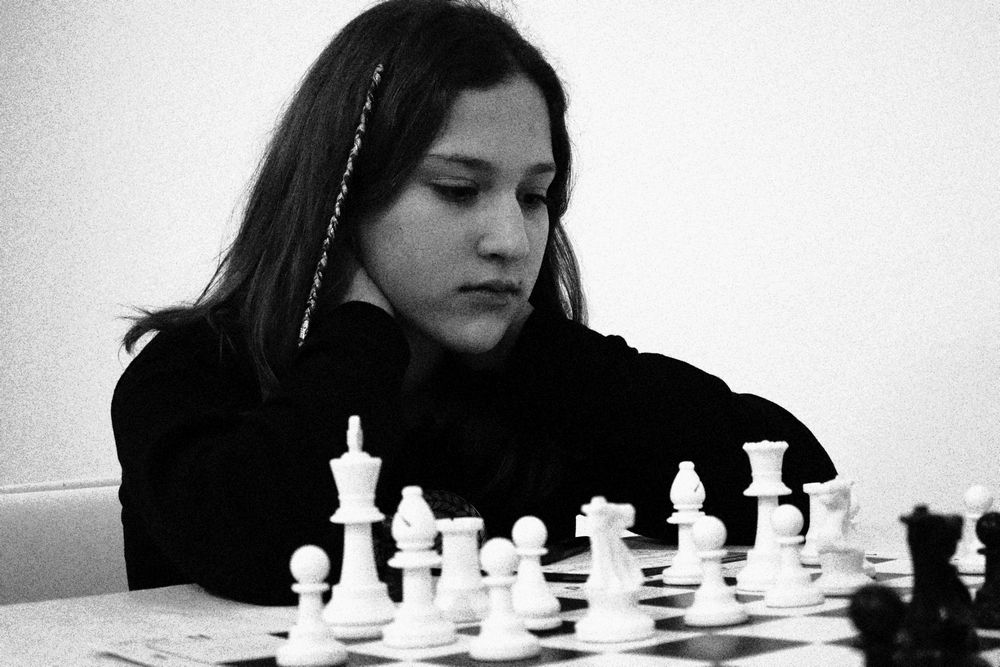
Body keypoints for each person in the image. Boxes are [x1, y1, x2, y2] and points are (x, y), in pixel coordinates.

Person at [112, 0, 836, 606]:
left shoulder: (534, 387)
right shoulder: (190, 376)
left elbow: (798, 490)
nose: (512, 240)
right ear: (343, 198)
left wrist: (538, 349)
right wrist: (358, 329)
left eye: (534, 196)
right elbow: (266, 550)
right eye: (458, 190)